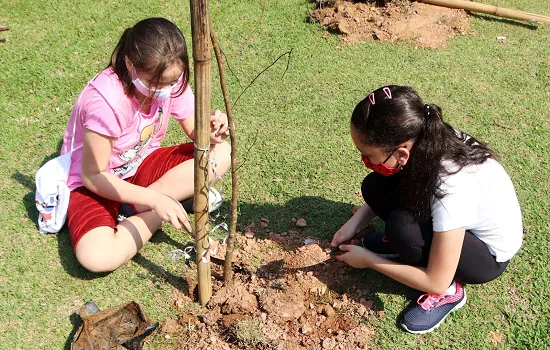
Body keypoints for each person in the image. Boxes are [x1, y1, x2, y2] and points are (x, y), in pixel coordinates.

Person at [331, 86, 522, 334]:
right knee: (375, 185)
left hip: (485, 255)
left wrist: (369, 261)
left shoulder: (451, 183)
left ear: (401, 152)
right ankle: (410, 249)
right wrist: (353, 223)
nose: (363, 160)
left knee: (403, 231)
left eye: (366, 154)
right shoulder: (423, 136)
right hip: (456, 219)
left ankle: (452, 293)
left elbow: (436, 280)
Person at [60, 18, 231, 273]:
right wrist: (156, 201)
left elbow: (196, 131)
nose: (166, 90)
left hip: (141, 166)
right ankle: (158, 210)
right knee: (96, 257)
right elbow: (93, 175)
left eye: (172, 82)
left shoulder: (172, 78)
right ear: (130, 63)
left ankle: (141, 208)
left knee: (222, 153)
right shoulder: (106, 103)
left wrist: (212, 132)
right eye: (156, 83)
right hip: (97, 184)